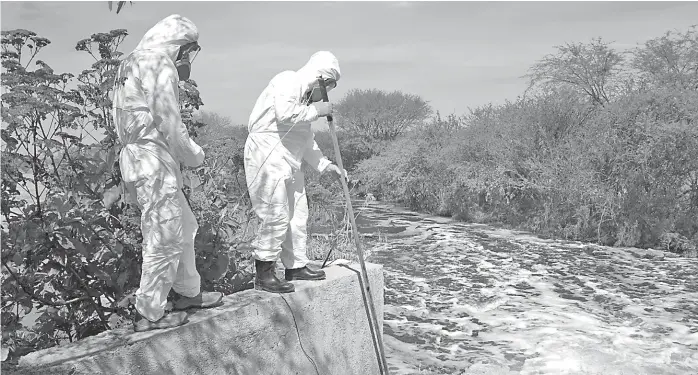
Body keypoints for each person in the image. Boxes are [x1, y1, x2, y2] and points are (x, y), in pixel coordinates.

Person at [112, 14, 223, 332]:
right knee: (165, 236)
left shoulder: (130, 61)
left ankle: (189, 293)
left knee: (185, 226)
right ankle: (148, 313)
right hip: (153, 159)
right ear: (178, 45)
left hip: (138, 161)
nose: (187, 59)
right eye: (188, 51)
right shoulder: (158, 63)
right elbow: (169, 121)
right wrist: (195, 156)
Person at [245, 51, 346, 293]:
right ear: (320, 78)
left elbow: (306, 140)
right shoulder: (288, 80)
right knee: (275, 212)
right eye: (328, 86)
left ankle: (296, 265)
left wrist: (325, 165)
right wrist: (319, 111)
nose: (326, 93)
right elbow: (285, 114)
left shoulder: (304, 101)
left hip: (290, 159)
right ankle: (265, 270)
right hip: (267, 154)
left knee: (298, 214)